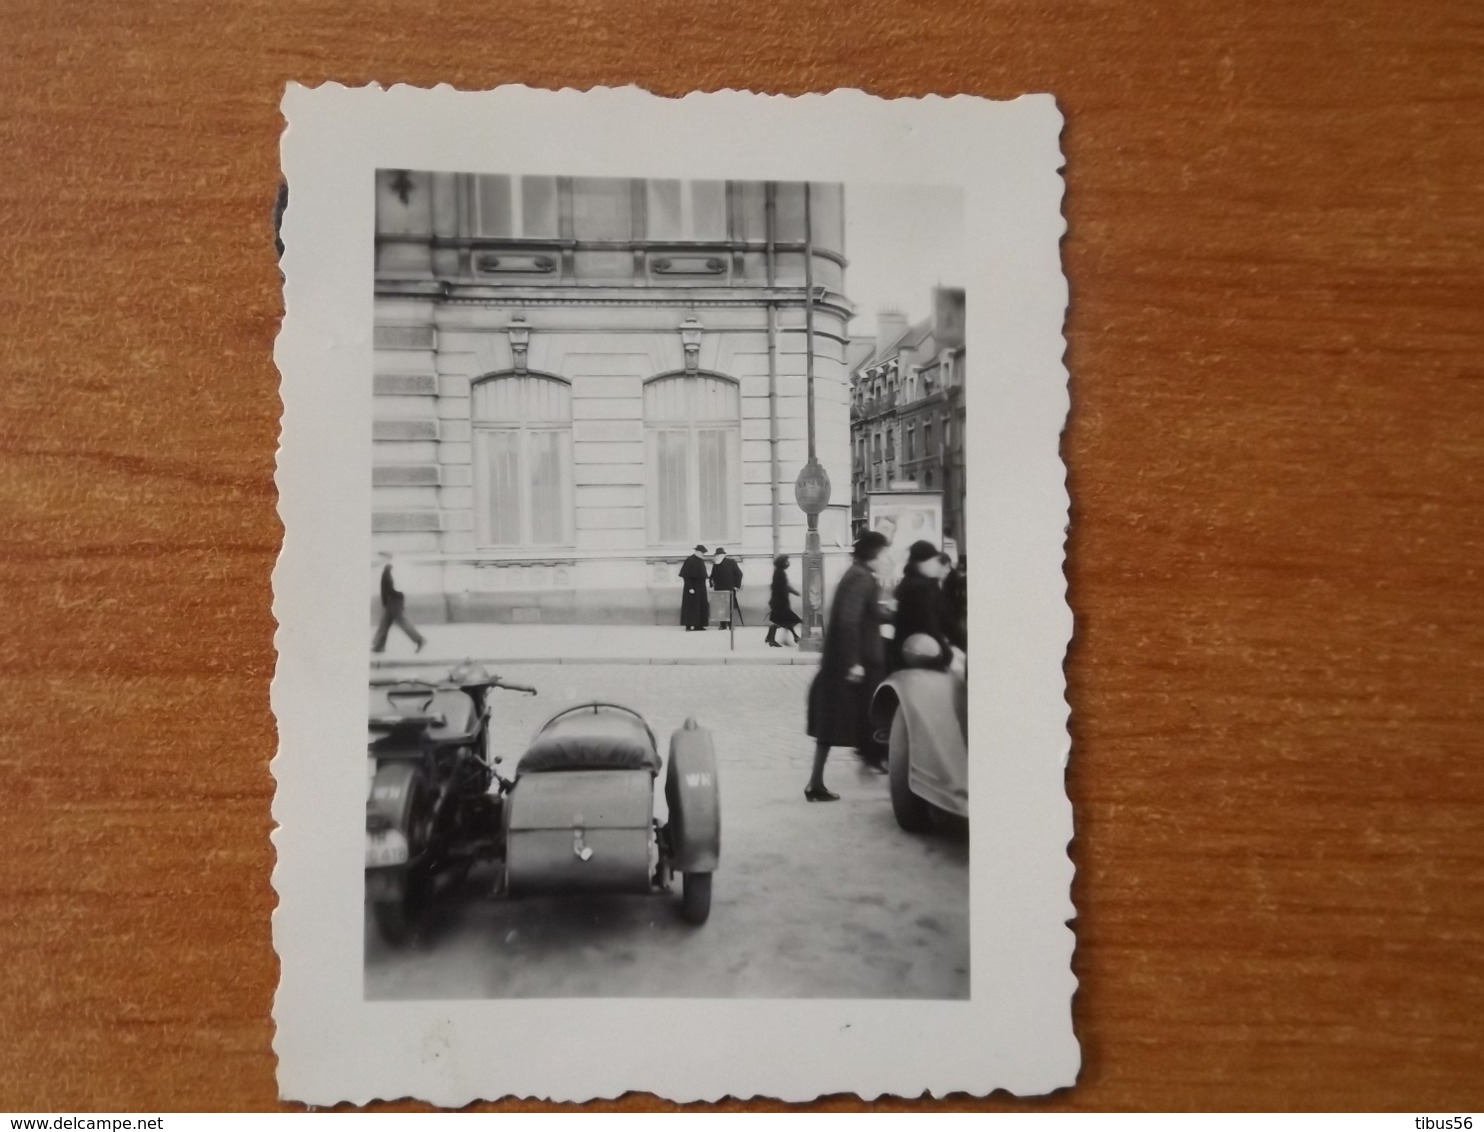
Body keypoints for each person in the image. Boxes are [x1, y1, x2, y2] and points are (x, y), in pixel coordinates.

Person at [804, 531, 891, 801]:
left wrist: (894, 613)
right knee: (840, 720)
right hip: (850, 664)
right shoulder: (861, 578)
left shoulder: (858, 574)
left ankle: (818, 782)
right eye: (884, 553)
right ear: (874, 553)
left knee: (832, 723)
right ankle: (870, 760)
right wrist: (854, 663)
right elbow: (849, 621)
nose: (887, 558)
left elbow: (869, 612)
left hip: (843, 663)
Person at [888, 541, 952, 673]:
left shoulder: (914, 583)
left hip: (911, 652)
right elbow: (929, 624)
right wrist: (946, 654)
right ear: (922, 562)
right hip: (921, 654)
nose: (937, 566)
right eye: (934, 561)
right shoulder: (920, 588)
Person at [371, 552, 425, 654]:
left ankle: (419, 640)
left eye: (381, 557)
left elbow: (394, 586)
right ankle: (379, 645)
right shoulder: (386, 569)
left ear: (387, 558)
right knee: (385, 623)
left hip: (394, 600)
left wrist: (395, 595)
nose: (379, 559)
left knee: (401, 621)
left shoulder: (391, 569)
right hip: (390, 600)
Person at [765, 554, 802, 647]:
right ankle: (772, 639)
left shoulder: (779, 572)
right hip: (780, 602)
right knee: (788, 620)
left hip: (780, 602)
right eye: (786, 561)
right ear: (782, 563)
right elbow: (782, 587)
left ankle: (771, 638)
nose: (788, 563)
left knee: (784, 620)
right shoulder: (779, 573)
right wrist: (794, 592)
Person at [710, 548, 743, 630]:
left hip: (729, 589)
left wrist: (736, 586)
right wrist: (711, 582)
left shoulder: (731, 562)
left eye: (718, 554)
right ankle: (722, 625)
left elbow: (739, 574)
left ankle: (731, 625)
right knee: (720, 607)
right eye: (716, 555)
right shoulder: (715, 564)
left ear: (723, 555)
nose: (717, 556)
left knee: (729, 607)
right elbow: (712, 575)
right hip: (718, 589)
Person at [679, 545, 711, 631]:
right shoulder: (689, 560)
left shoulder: (700, 561)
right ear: (697, 551)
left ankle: (699, 625)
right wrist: (690, 587)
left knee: (701, 606)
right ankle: (688, 626)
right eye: (702, 552)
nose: (702, 554)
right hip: (692, 587)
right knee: (690, 607)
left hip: (701, 587)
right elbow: (686, 576)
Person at [942, 554, 968, 653]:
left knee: (959, 624)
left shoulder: (953, 573)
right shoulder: (955, 573)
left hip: (953, 603)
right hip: (956, 603)